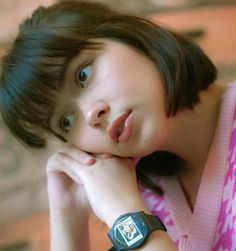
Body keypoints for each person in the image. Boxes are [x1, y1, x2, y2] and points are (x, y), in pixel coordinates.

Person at [0, 1, 235, 250]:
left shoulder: (127, 206)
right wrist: (67, 217)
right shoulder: (141, 194)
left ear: (127, 35)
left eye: (82, 74)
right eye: (66, 121)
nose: (91, 114)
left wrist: (128, 215)